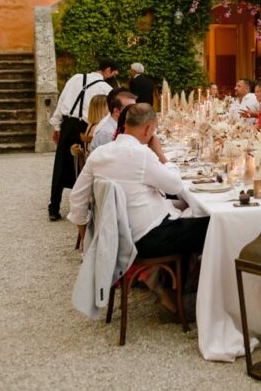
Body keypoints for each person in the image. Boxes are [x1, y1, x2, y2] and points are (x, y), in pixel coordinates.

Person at [68, 103, 209, 275]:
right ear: (149, 129)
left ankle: (174, 283)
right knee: (212, 223)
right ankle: (205, 289)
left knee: (185, 206)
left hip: (115, 239)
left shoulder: (99, 154)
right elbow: (175, 185)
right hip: (146, 239)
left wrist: (89, 243)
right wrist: (160, 155)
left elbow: (76, 199)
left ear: (126, 124)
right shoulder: (141, 154)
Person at [47, 59, 119, 220]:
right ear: (107, 70)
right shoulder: (105, 88)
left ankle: (54, 208)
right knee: (84, 168)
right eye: (113, 73)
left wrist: (56, 127)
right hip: (86, 128)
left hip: (67, 124)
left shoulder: (75, 78)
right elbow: (106, 114)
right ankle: (83, 207)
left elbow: (61, 103)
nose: (113, 76)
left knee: (60, 165)